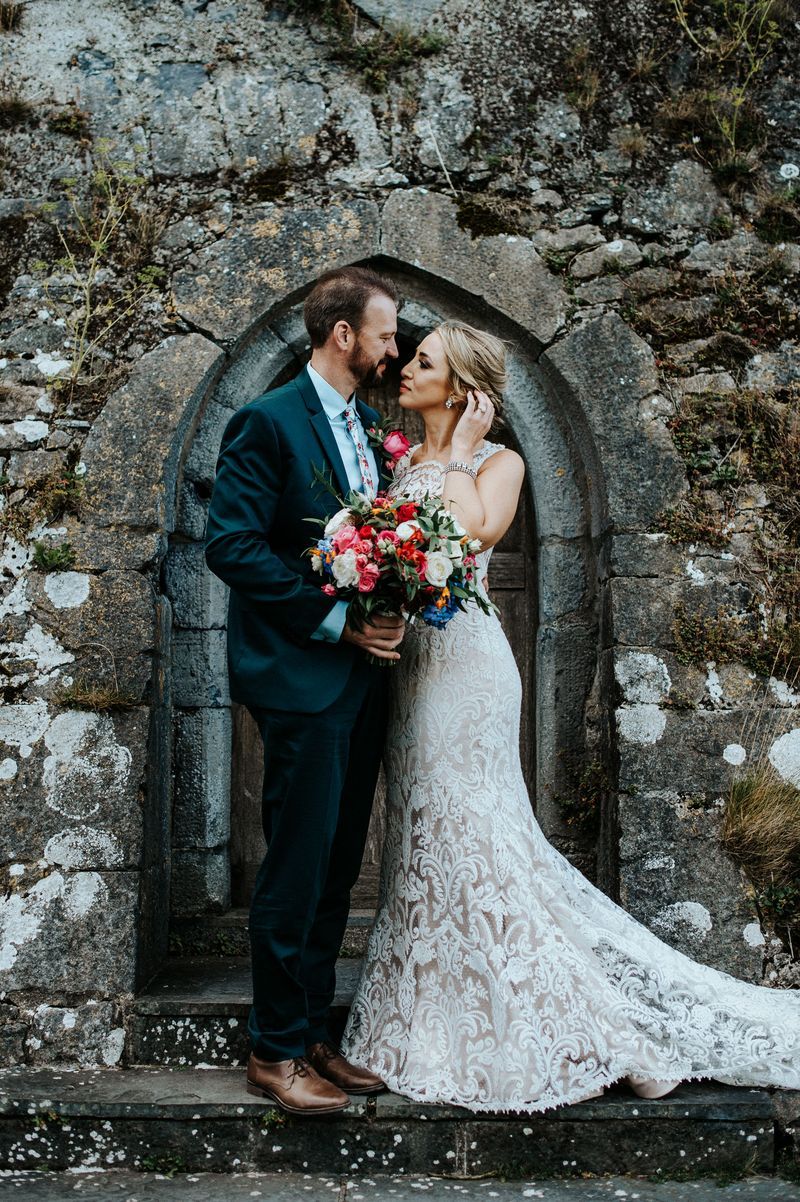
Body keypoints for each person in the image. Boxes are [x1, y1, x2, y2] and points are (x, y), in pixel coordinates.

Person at [339, 318, 800, 1114]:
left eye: (424, 363)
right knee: (422, 829)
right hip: (408, 670)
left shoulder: (497, 461)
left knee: (474, 830)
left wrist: (453, 453)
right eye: (410, 358)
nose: (405, 369)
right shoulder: (398, 460)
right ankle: (429, 1016)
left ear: (462, 386)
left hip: (469, 668)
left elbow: (473, 534)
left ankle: (597, 1030)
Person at [204, 265, 405, 1115]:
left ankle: (314, 1032)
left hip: (364, 682)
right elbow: (234, 547)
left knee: (331, 869)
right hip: (302, 677)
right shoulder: (267, 422)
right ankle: (274, 1051)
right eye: (387, 333)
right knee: (293, 868)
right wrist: (335, 621)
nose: (397, 348)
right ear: (342, 335)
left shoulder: (368, 424)